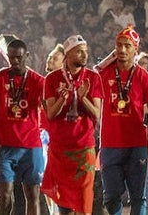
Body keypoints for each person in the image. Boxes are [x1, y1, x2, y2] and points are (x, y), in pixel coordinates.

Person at [98, 25, 148, 215]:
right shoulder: (104, 74)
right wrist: (105, 62)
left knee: (138, 197)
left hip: (137, 144)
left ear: (136, 49)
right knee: (110, 197)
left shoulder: (146, 78)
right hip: (110, 143)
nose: (122, 50)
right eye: (118, 45)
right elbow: (90, 75)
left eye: (127, 46)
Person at [41, 34, 103, 215]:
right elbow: (51, 114)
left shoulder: (93, 78)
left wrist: (83, 98)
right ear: (68, 55)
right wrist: (62, 98)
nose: (84, 55)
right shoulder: (51, 79)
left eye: (86, 52)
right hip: (60, 148)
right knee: (64, 206)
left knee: (84, 203)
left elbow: (97, 114)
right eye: (79, 52)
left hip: (84, 148)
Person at [0, 38, 46, 215]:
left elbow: (49, 110)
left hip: (30, 146)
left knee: (32, 195)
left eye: (19, 57)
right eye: (11, 58)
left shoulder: (38, 81)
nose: (15, 61)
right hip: (3, 147)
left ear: (27, 56)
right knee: (5, 194)